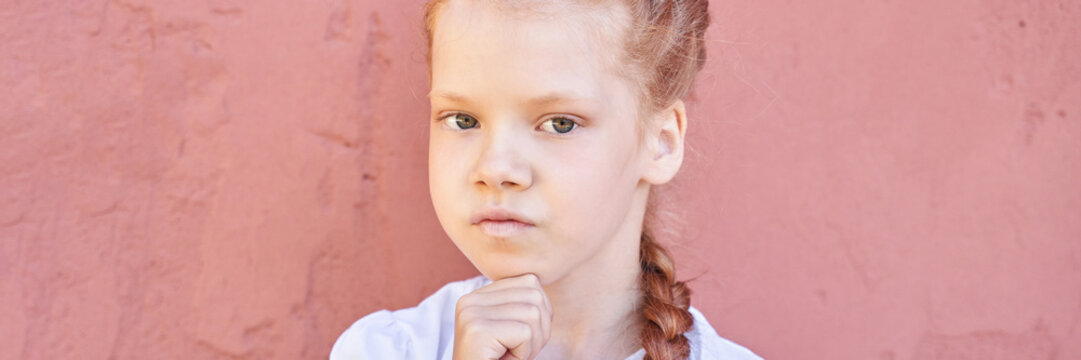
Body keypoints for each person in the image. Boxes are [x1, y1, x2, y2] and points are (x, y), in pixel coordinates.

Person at [331, 0, 762, 359]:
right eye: (463, 119)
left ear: (661, 143)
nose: (496, 168)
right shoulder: (384, 349)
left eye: (558, 124)